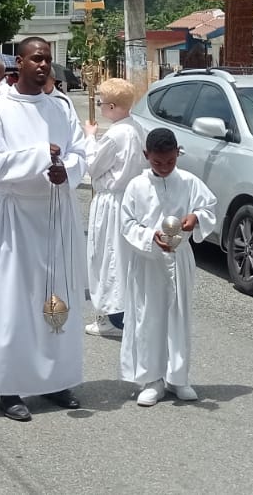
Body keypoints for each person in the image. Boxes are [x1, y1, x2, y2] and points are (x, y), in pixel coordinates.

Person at [0, 37, 88, 422]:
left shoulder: (61, 107)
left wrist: (65, 170)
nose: (44, 65)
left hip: (56, 213)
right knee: (13, 304)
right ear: (19, 62)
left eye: (48, 60)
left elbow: (81, 152)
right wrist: (39, 157)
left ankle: (55, 380)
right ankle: (9, 386)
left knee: (56, 298)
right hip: (16, 217)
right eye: (37, 58)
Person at [118, 127, 218, 407]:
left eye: (169, 161)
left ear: (178, 153)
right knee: (148, 317)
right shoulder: (136, 186)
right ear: (146, 156)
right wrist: (151, 236)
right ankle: (151, 379)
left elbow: (209, 207)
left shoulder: (189, 181)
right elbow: (126, 224)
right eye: (157, 162)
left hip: (180, 257)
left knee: (179, 315)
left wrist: (195, 217)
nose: (163, 168)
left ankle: (178, 377)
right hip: (148, 260)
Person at [83, 77, 144, 337]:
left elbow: (93, 165)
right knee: (123, 258)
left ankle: (113, 318)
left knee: (109, 256)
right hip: (131, 199)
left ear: (111, 106)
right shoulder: (136, 127)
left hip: (112, 200)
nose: (99, 107)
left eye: (101, 103)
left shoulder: (116, 134)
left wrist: (89, 138)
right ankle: (124, 315)